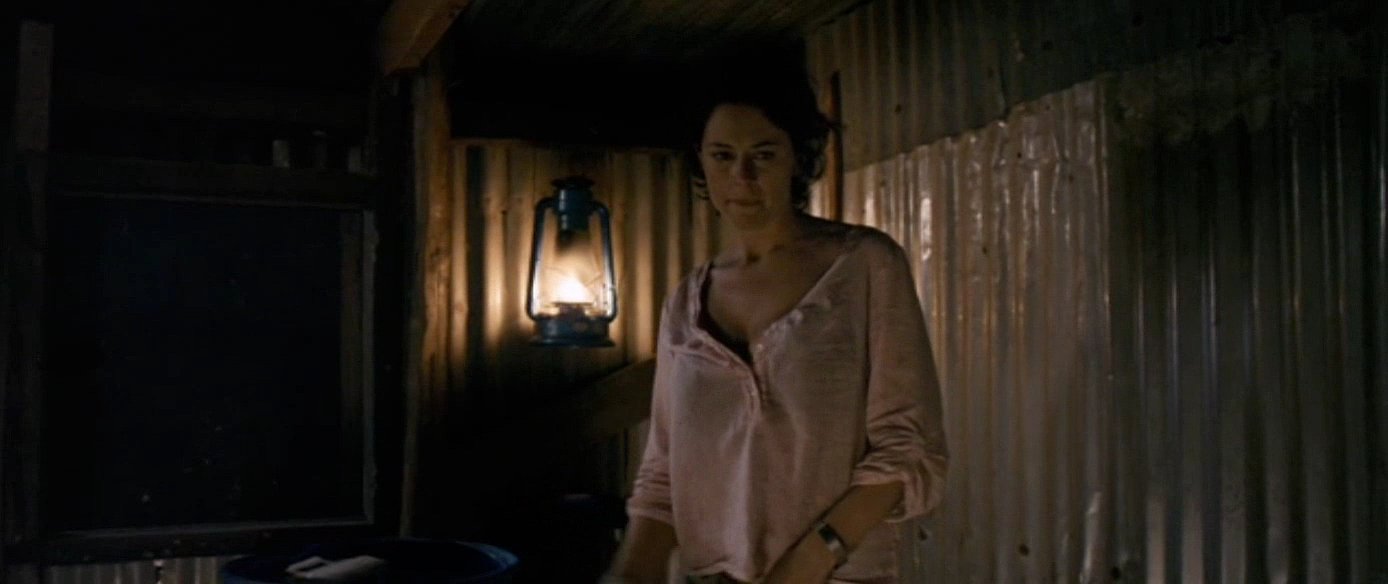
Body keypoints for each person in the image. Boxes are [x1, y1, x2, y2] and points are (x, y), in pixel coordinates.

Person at [603, 65, 947, 584]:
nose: (741, 178)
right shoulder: (685, 303)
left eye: (762, 155)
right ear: (701, 160)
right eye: (723, 156)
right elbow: (662, 475)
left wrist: (806, 564)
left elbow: (908, 447)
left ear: (796, 158)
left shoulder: (864, 266)